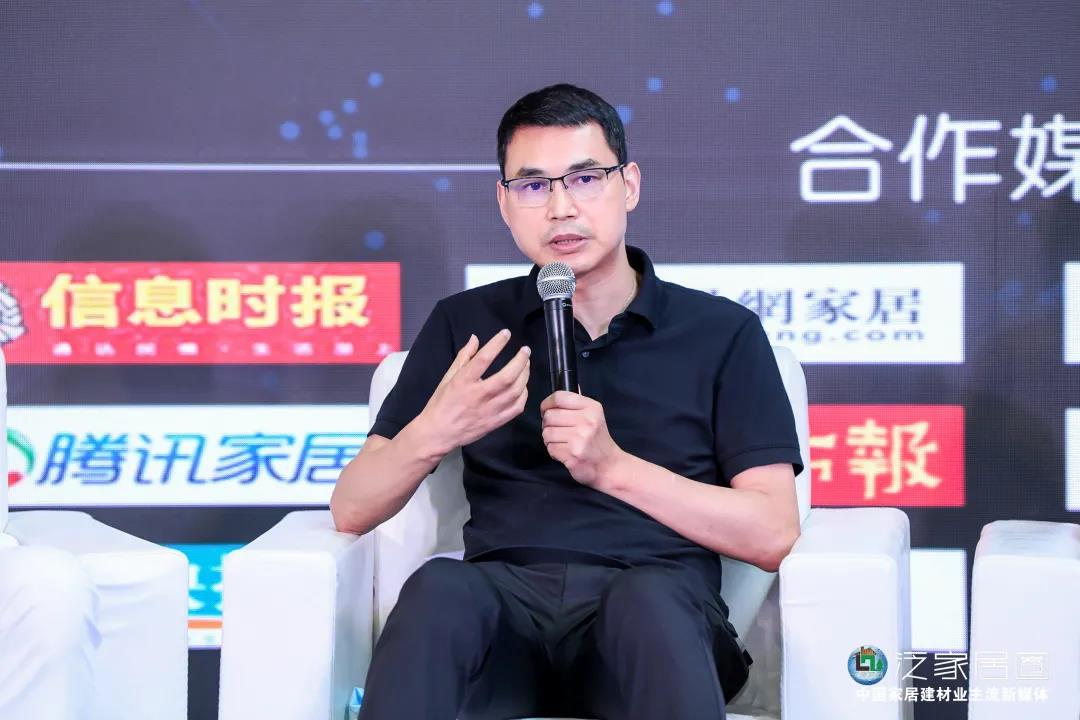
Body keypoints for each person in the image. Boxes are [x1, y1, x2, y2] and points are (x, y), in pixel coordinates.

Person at [332, 83, 804, 720]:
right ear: (504, 203)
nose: (560, 208)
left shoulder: (723, 334)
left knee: (650, 601)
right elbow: (352, 507)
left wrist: (612, 468)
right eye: (533, 185)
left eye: (584, 178)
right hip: (504, 618)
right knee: (440, 588)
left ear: (628, 185)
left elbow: (772, 531)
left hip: (654, 616)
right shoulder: (466, 325)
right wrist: (435, 430)